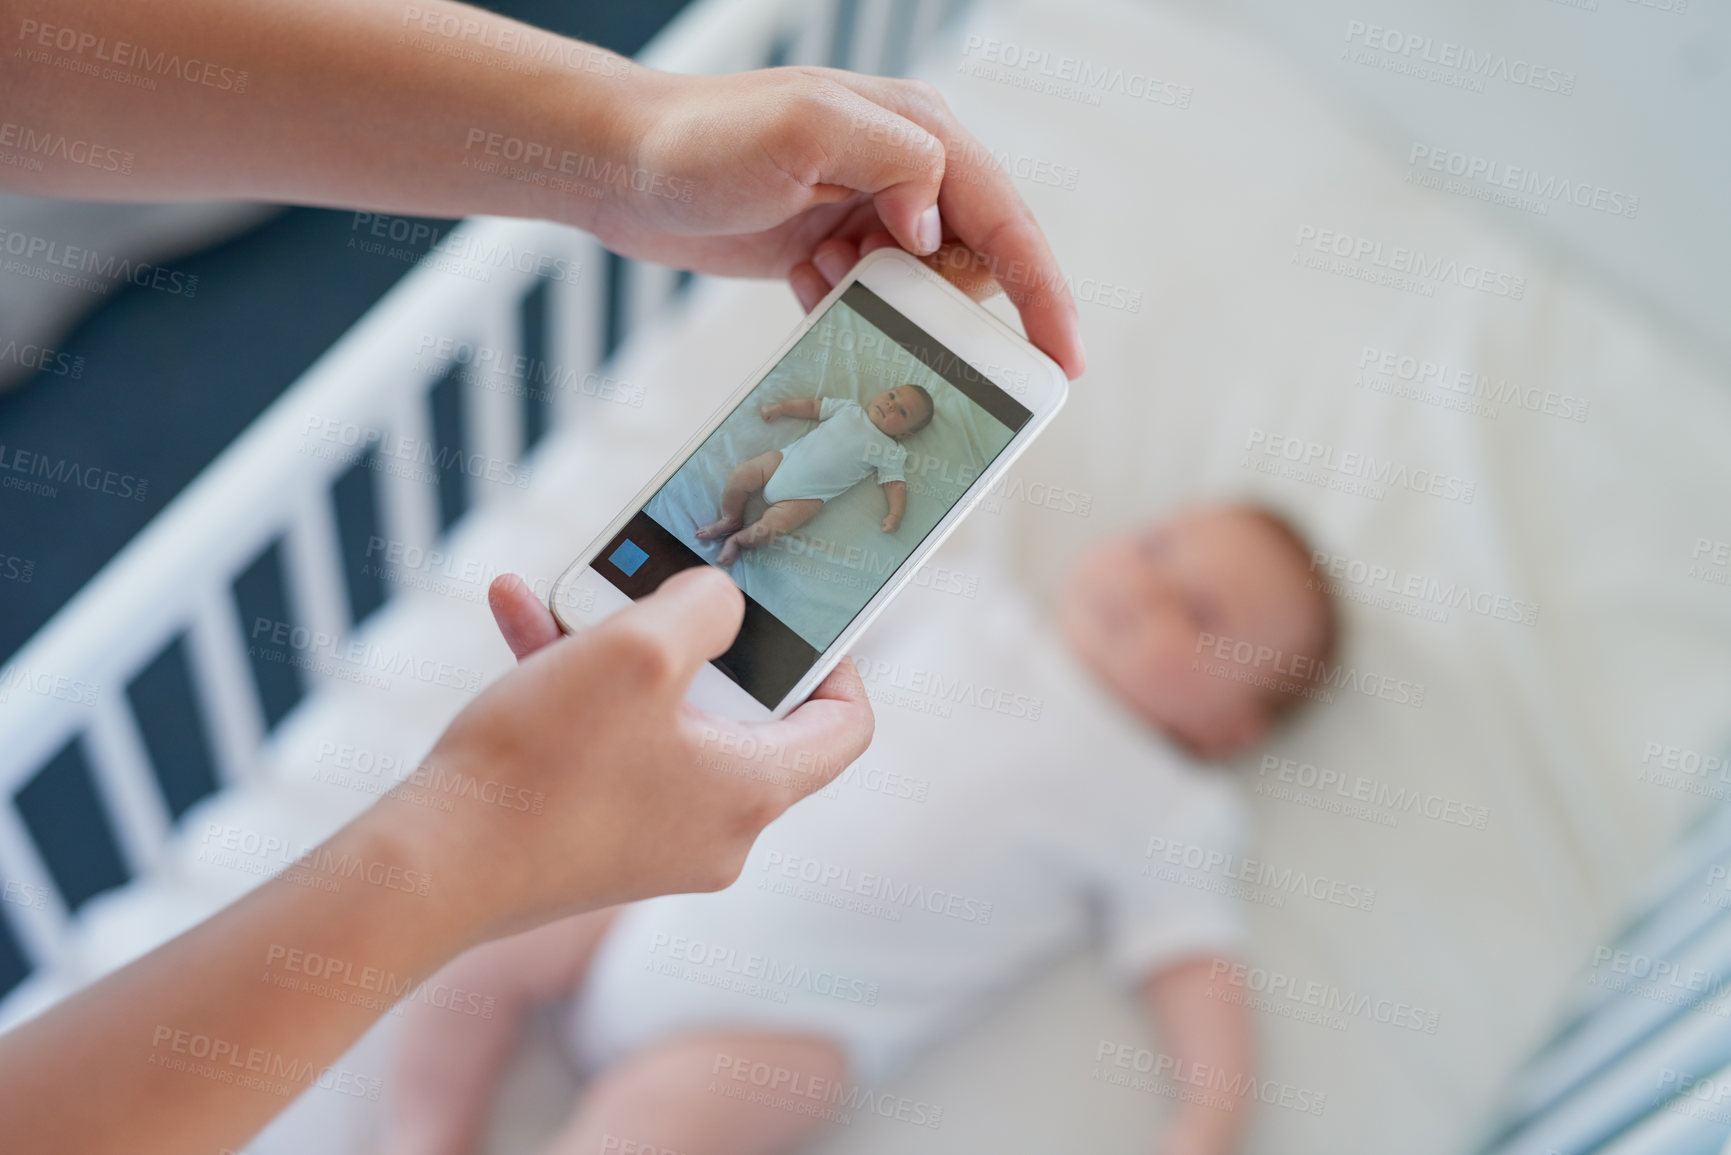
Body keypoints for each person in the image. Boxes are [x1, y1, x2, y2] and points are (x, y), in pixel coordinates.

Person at [0, 1, 1085, 1152]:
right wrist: (480, 846)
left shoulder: (1131, 774)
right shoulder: (934, 530)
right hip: (652, 800)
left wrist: (633, 147)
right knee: (745, 506)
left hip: (772, 1008)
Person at [386, 504, 1338, 1155]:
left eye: (1202, 612)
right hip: (665, 878)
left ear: (1231, 726)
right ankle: (424, 1128)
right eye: (1156, 543)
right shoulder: (966, 600)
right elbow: (795, 625)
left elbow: (1195, 969)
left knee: (648, 1126)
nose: (1149, 582)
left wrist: (1210, 1113)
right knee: (491, 932)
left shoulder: (1167, 802)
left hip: (795, 1023)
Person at [696, 385, 936, 565]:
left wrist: (896, 513)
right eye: (892, 395)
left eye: (902, 412)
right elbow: (813, 407)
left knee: (774, 527)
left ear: (905, 435)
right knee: (741, 474)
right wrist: (782, 408)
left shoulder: (890, 451)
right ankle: (729, 519)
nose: (891, 404)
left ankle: (737, 540)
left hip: (808, 497)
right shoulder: (849, 409)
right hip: (782, 462)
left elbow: (894, 483)